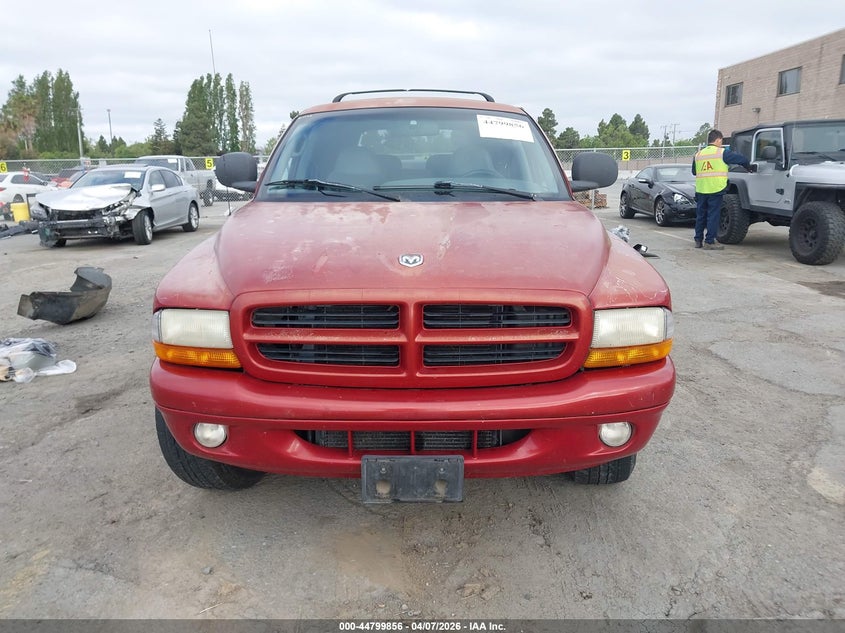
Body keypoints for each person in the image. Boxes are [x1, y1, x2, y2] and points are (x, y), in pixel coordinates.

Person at [691, 129, 752, 250]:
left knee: (701, 215)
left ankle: (698, 240)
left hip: (701, 189)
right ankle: (709, 242)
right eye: (721, 141)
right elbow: (742, 160)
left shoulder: (698, 155)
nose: (721, 143)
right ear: (718, 139)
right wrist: (748, 167)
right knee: (713, 215)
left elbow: (694, 172)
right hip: (715, 189)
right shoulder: (722, 153)